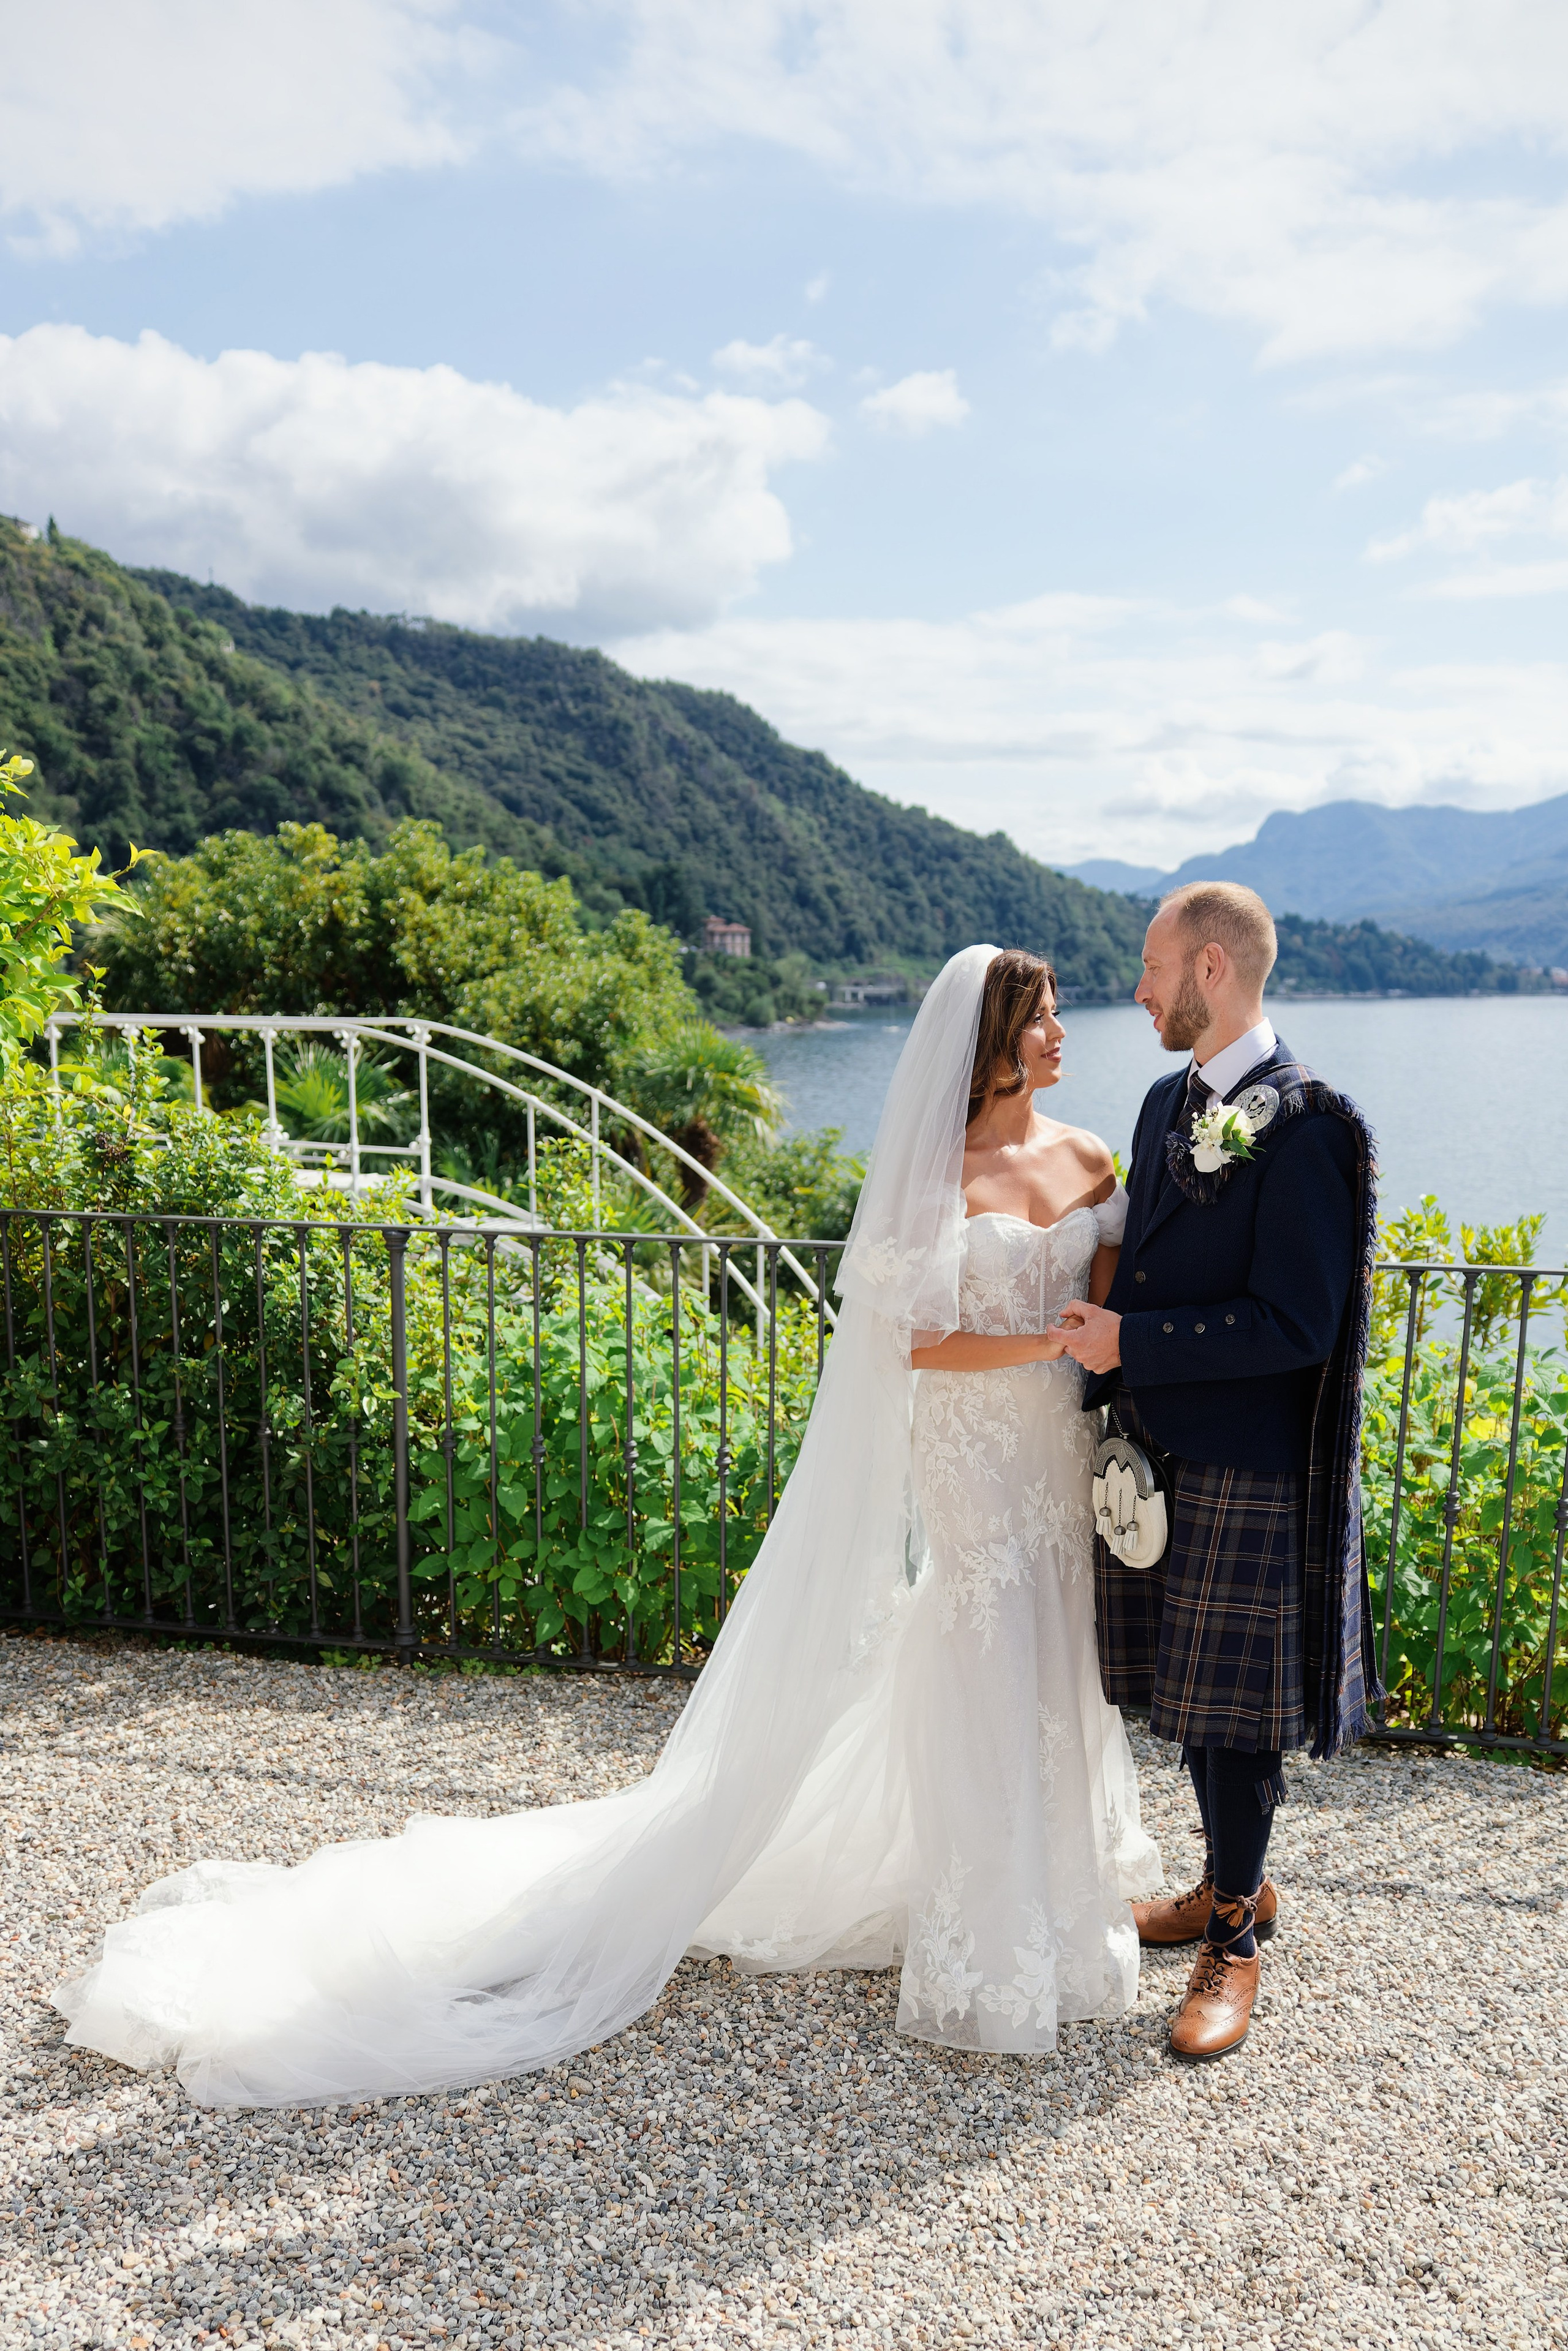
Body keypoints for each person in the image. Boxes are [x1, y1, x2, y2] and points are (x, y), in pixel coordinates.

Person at [55, 945, 1159, 2107]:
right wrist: (1053, 1341)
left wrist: (1112, 1342)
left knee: (1059, 1648)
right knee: (983, 1641)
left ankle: (1060, 1899)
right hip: (974, 1450)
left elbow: (1123, 1290)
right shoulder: (938, 1171)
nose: (1061, 1035)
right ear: (994, 1039)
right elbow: (912, 1337)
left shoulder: (1089, 1155)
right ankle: (989, 1936)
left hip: (1057, 1447)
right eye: (1042, 1019)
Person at [1053, 882, 1379, 2063]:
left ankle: (1233, 1936)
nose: (1133, 990)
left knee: (1235, 1719)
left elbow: (1299, 1323)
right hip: (1158, 1456)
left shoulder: (1310, 1126)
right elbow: (1144, 1261)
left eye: (1149, 968)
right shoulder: (1159, 1103)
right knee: (1188, 1702)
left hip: (1248, 1462)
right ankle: (1231, 1879)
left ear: (1208, 969)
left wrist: (1136, 1344)